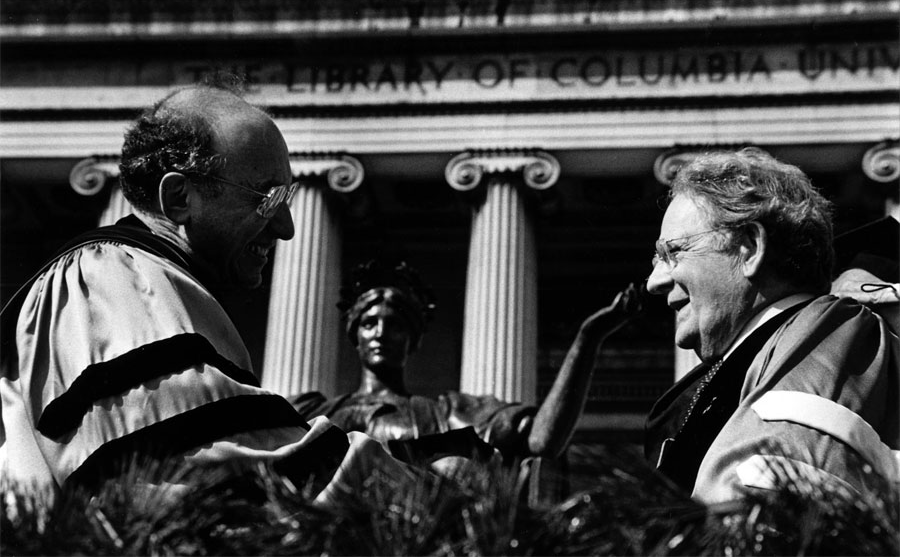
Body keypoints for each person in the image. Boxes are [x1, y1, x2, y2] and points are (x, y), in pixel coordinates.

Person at [0, 79, 408, 504]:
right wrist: (443, 497)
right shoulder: (110, 279)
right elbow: (224, 475)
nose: (287, 228)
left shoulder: (142, 281)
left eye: (289, 196)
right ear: (179, 198)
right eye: (268, 198)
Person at [643, 147, 899, 503]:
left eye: (673, 252)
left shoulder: (834, 340)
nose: (654, 281)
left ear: (749, 247)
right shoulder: (776, 348)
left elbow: (762, 528)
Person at [292, 260, 642, 464]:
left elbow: (541, 441)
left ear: (413, 339)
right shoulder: (311, 413)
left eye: (396, 325)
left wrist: (588, 338)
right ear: (355, 335)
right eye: (369, 323)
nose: (381, 332)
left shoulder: (448, 413)